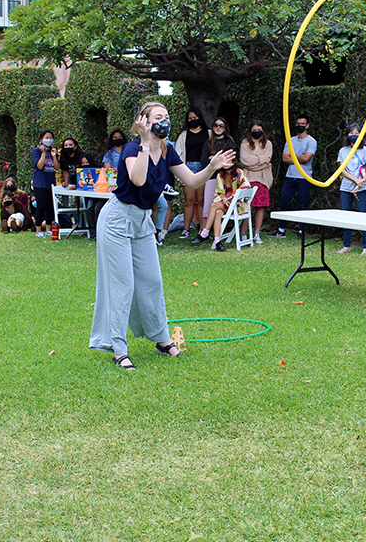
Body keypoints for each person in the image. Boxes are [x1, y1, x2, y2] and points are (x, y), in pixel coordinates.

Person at [90, 101, 235, 371]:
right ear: (143, 121)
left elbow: (192, 180)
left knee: (152, 281)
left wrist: (213, 166)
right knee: (123, 285)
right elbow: (138, 179)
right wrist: (145, 143)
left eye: (167, 116)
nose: (164, 121)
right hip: (117, 220)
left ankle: (161, 339)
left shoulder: (168, 152)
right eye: (158, 117)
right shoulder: (133, 149)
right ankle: (119, 349)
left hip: (143, 222)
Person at [270, 114, 316, 237]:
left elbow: (307, 158)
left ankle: (302, 230)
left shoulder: (311, 141)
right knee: (284, 203)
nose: (300, 126)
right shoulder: (290, 140)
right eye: (298, 123)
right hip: (290, 176)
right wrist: (299, 156)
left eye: (302, 124)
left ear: (307, 126)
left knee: (302, 205)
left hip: (304, 177)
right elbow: (285, 158)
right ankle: (281, 230)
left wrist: (293, 156)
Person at [190, 159, 250, 252]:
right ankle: (218, 242)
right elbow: (219, 190)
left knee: (214, 205)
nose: (226, 164)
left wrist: (232, 197)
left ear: (233, 162)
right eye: (224, 162)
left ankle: (204, 233)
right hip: (225, 203)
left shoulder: (239, 172)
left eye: (229, 162)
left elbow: (246, 185)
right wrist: (224, 198)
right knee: (217, 212)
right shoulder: (220, 174)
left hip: (237, 204)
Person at [336, 123, 366, 256]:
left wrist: (360, 183)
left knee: (363, 215)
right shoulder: (343, 150)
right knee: (345, 215)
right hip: (346, 187)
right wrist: (355, 180)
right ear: (347, 135)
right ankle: (347, 245)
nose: (354, 136)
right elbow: (342, 170)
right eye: (351, 133)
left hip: (362, 188)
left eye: (357, 133)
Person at [174, 108, 210, 238]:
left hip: (203, 168)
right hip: (187, 167)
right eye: (190, 118)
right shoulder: (184, 135)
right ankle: (186, 228)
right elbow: (177, 154)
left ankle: (202, 228)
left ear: (200, 118)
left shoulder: (208, 133)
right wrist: (180, 175)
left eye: (195, 117)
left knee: (201, 200)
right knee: (189, 200)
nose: (192, 120)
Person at [239, 120, 273, 244]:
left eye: (258, 130)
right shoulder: (245, 143)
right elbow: (244, 160)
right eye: (254, 130)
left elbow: (268, 160)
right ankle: (243, 233)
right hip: (248, 179)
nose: (256, 132)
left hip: (263, 179)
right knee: (247, 206)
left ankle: (257, 234)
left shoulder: (268, 144)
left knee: (261, 207)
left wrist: (254, 162)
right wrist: (261, 160)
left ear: (262, 130)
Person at [201, 117, 236, 227]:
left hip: (226, 178)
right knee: (208, 204)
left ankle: (221, 230)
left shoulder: (229, 143)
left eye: (221, 125)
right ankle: (204, 231)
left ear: (225, 129)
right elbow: (203, 161)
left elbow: (230, 161)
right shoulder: (208, 143)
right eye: (216, 125)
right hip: (211, 177)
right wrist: (217, 160)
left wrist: (213, 158)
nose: (218, 127)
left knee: (223, 204)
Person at [32, 130, 60, 237]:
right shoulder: (37, 151)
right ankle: (38, 229)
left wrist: (53, 156)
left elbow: (57, 167)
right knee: (41, 206)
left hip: (50, 183)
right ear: (41, 139)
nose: (49, 140)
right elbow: (39, 166)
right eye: (46, 137)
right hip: (40, 183)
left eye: (50, 138)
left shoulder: (53, 151)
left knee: (50, 206)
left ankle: (49, 228)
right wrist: (43, 152)